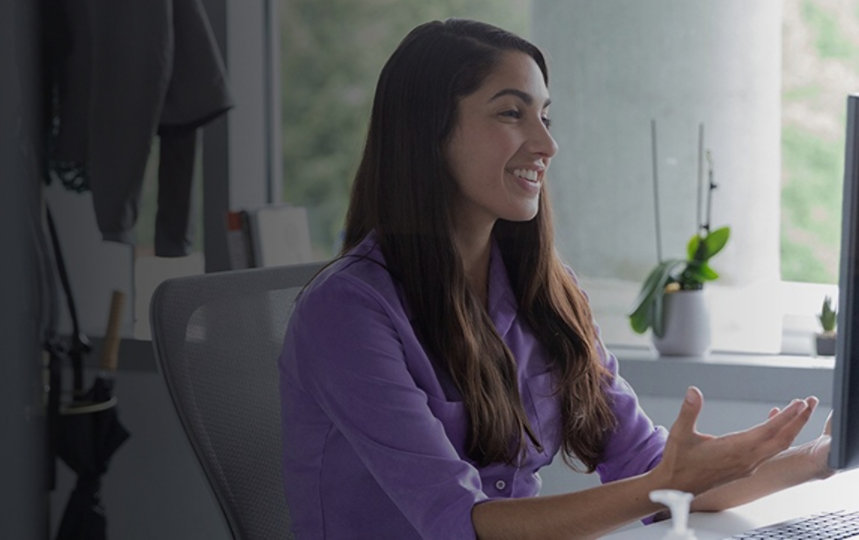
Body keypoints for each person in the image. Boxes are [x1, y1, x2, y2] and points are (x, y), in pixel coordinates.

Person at [278, 18, 833, 539]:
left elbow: (651, 472)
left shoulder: (543, 291)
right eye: (511, 113)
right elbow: (463, 525)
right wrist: (668, 482)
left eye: (545, 116)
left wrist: (818, 458)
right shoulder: (347, 311)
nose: (546, 144)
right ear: (428, 132)